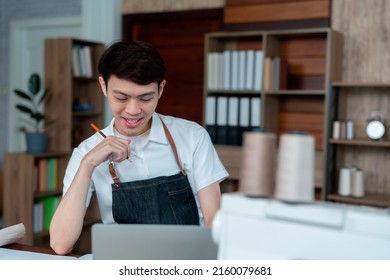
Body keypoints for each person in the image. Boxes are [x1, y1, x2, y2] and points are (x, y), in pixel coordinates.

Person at [49, 40, 229, 255]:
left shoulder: (192, 137)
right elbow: (60, 244)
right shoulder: (86, 153)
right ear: (103, 86)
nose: (133, 110)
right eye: (121, 98)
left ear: (160, 89)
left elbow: (213, 221)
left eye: (145, 98)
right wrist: (87, 165)